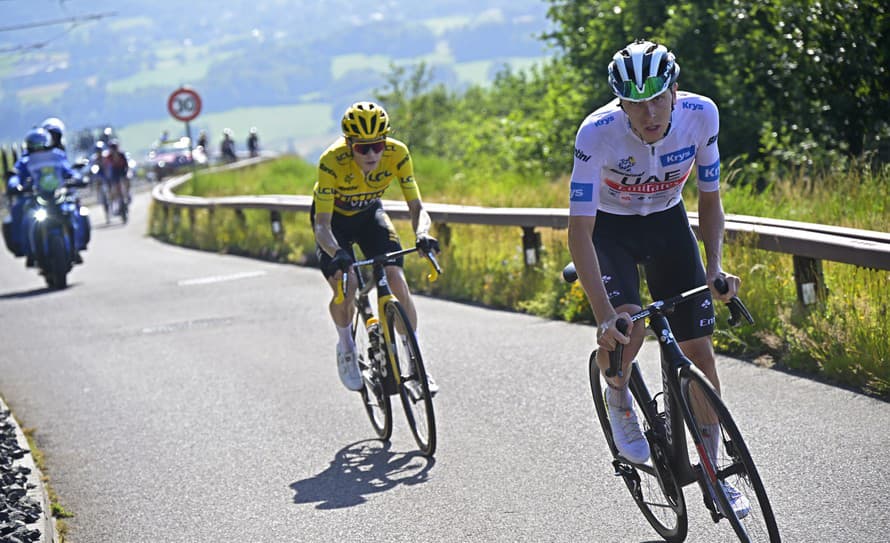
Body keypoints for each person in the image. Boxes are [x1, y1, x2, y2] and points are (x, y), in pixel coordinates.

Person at [566, 40, 749, 517]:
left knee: (699, 351)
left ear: (674, 90)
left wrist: (713, 270)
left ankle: (712, 471)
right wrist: (604, 315)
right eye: (634, 102)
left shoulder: (700, 116)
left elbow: (710, 200)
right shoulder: (596, 133)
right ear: (620, 102)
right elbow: (579, 230)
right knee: (631, 323)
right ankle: (619, 394)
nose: (647, 113)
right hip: (610, 231)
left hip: (668, 221)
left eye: (656, 99)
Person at [311, 101, 440, 393]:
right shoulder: (331, 161)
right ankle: (345, 347)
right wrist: (338, 253)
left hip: (370, 216)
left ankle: (417, 363)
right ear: (349, 145)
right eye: (362, 148)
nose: (372, 154)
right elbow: (321, 226)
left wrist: (422, 233)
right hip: (334, 225)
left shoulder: (398, 153)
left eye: (378, 145)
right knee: (348, 283)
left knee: (396, 278)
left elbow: (417, 207)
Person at [12, 127, 85, 263]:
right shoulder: (25, 161)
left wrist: (77, 178)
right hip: (37, 197)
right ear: (28, 145)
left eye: (40, 143)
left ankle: (77, 247)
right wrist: (15, 185)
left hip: (57, 195)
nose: (38, 148)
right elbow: (16, 176)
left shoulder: (57, 156)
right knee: (27, 219)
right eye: (35, 144)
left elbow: (68, 170)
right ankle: (29, 252)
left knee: (74, 212)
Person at [102, 139, 130, 216]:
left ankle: (127, 195)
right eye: (112, 147)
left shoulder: (122, 154)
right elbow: (106, 167)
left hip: (122, 171)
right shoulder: (108, 157)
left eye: (114, 147)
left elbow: (126, 166)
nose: (114, 149)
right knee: (116, 188)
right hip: (115, 173)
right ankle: (119, 203)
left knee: (126, 180)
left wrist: (127, 173)